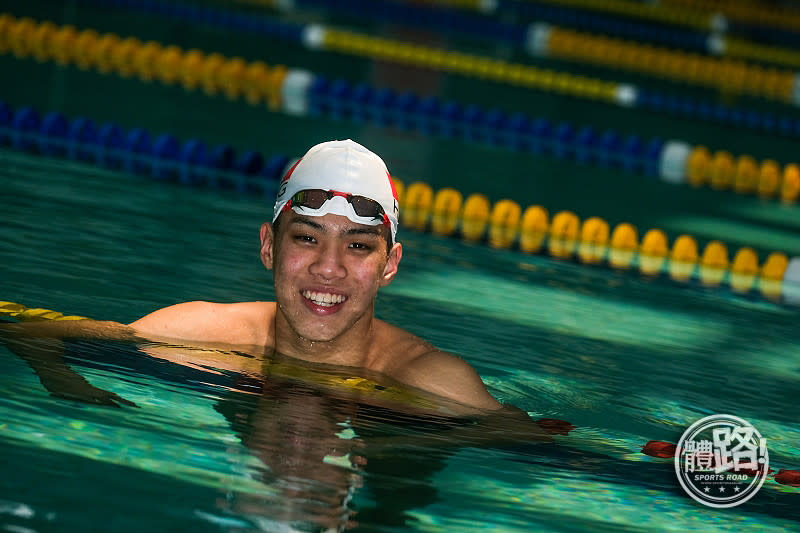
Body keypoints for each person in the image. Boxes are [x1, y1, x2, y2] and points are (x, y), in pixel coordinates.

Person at [2, 140, 549, 426]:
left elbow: (536, 447)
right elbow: (35, 332)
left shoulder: (435, 383)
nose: (328, 268)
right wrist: (66, 382)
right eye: (307, 238)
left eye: (358, 246)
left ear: (390, 264)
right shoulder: (196, 328)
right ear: (268, 245)